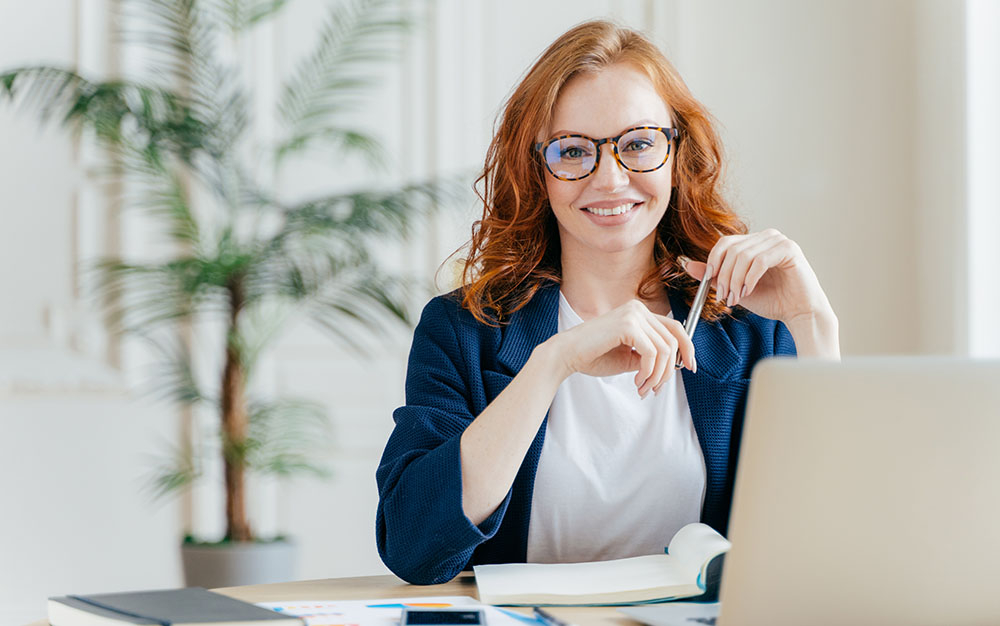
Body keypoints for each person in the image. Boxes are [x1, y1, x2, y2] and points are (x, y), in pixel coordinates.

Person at [374, 20, 839, 585]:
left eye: (638, 144)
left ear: (677, 153)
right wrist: (553, 364)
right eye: (573, 151)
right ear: (536, 169)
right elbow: (412, 547)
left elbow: (826, 540)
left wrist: (812, 325)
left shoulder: (745, 330)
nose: (611, 179)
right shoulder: (463, 330)